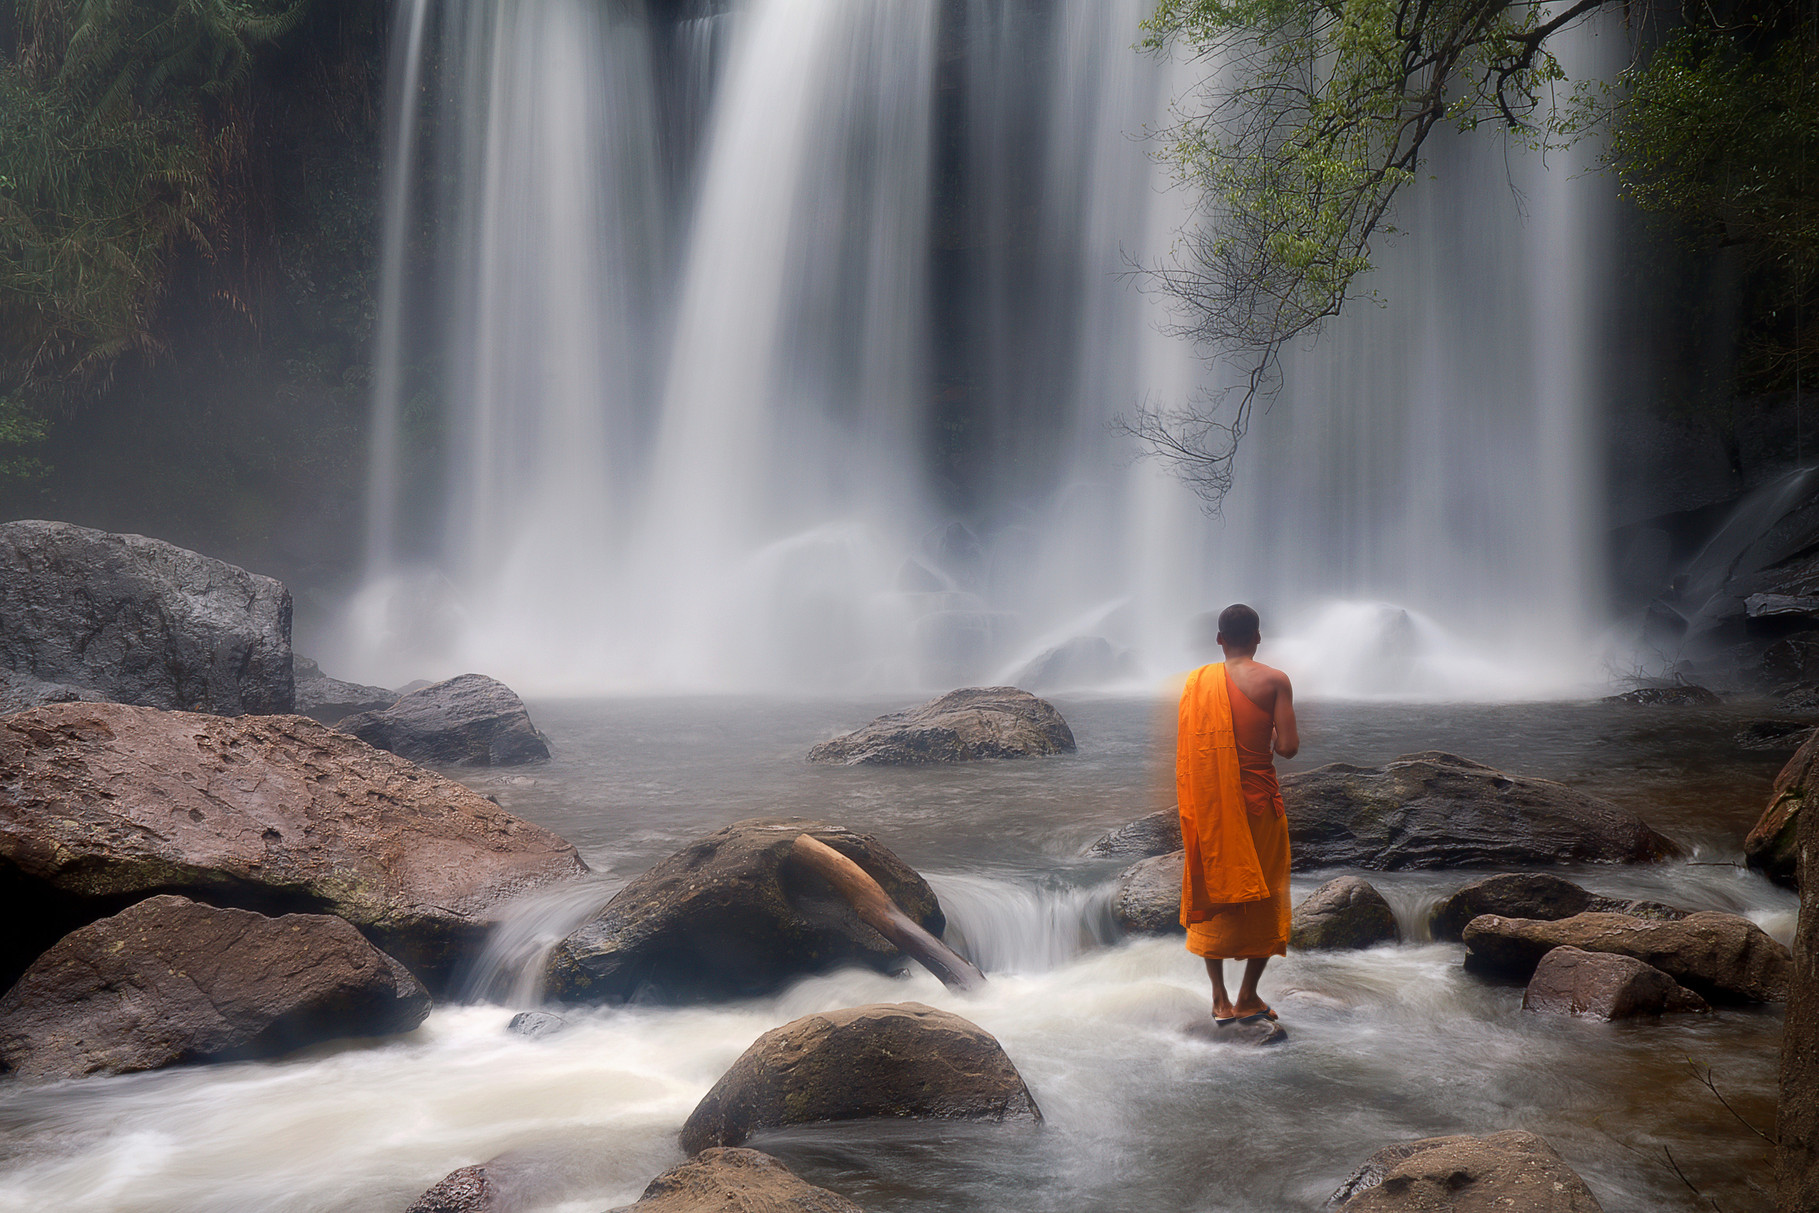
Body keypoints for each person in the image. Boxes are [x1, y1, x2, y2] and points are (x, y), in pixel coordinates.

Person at [1177, 602, 1298, 1024]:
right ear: (1258, 638)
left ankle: (1219, 1000)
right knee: (1266, 895)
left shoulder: (1197, 683)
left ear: (1219, 639)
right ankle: (1248, 995)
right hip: (1260, 805)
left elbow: (1193, 755)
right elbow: (1287, 748)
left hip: (1211, 808)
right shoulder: (1275, 681)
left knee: (1214, 891)